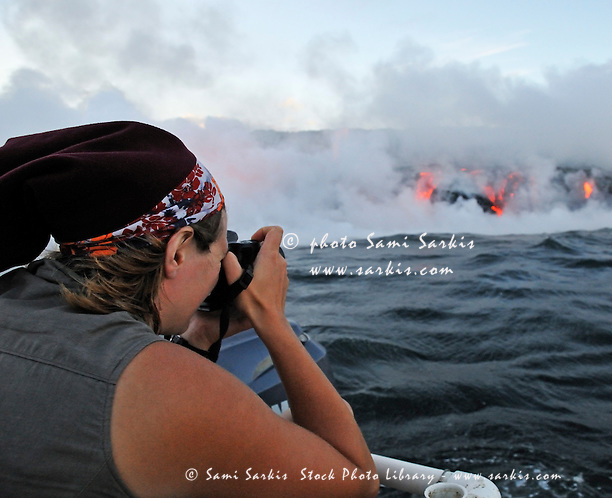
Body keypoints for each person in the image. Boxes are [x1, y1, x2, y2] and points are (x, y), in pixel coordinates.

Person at [0, 121, 379, 497]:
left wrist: (199, 338)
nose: (221, 266)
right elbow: (356, 483)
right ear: (178, 251)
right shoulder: (163, 389)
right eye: (218, 251)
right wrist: (270, 319)